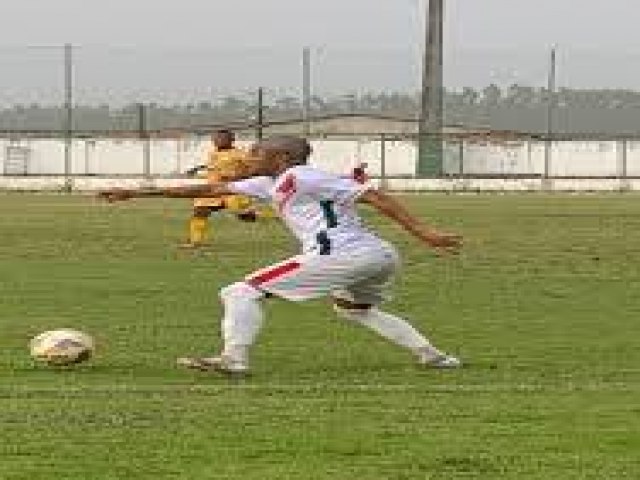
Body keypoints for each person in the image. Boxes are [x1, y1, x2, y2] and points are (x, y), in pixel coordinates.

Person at [100, 136, 463, 375]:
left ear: (283, 158)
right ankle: (433, 356)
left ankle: (233, 360)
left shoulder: (303, 176)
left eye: (257, 152)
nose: (249, 156)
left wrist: (424, 233)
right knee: (355, 311)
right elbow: (210, 187)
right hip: (375, 256)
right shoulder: (269, 183)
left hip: (341, 254)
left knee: (239, 292)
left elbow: (372, 195)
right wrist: (135, 191)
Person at [183, 129, 273, 249]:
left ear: (231, 140)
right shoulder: (213, 153)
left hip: (232, 189)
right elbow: (213, 165)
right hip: (213, 189)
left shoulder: (240, 154)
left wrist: (238, 176)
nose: (216, 141)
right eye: (215, 139)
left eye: (220, 139)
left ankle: (275, 215)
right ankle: (195, 242)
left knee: (245, 217)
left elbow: (254, 168)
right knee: (200, 211)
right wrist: (197, 168)